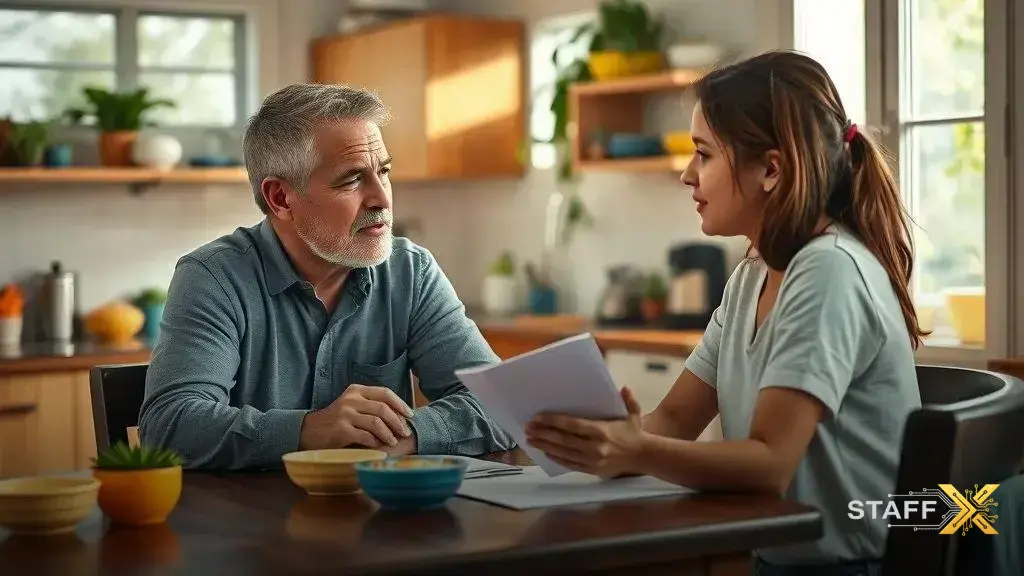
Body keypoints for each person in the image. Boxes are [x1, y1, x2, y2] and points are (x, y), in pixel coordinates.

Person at [525, 50, 924, 575]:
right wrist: (602, 437)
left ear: (771, 170)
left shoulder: (828, 271)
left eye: (704, 154)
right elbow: (673, 420)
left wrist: (635, 451)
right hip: (781, 559)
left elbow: (770, 464)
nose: (687, 175)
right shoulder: (753, 274)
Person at [139, 83, 515, 470]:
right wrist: (309, 431)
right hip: (253, 523)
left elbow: (505, 404)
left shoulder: (411, 271)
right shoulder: (213, 277)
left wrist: (408, 434)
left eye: (383, 171)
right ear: (281, 199)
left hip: (384, 519)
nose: (382, 198)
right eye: (352, 179)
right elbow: (169, 426)